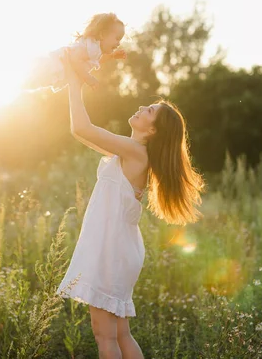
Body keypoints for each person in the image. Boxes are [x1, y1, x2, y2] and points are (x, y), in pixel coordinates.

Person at [57, 56, 204, 358]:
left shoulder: (135, 152)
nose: (141, 108)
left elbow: (83, 127)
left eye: (149, 110)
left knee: (106, 336)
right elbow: (79, 131)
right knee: (119, 333)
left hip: (111, 251)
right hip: (117, 249)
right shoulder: (129, 151)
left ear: (153, 130)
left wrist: (74, 81)